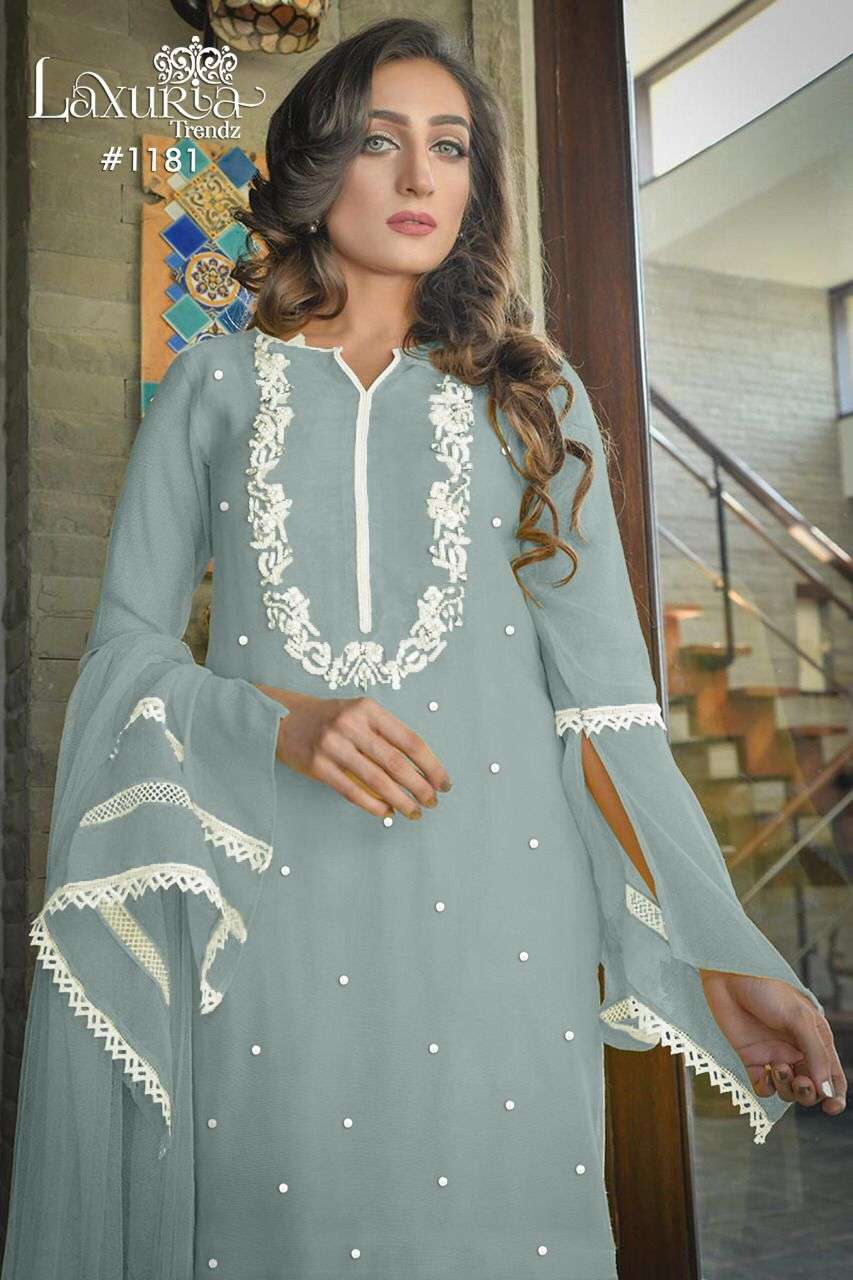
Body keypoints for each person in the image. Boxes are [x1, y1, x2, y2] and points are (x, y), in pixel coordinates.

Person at [2, 15, 845, 1280]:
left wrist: (721, 948)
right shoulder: (213, 387)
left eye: (448, 147)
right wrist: (278, 720)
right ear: (314, 164)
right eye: (378, 140)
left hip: (504, 927)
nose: (416, 176)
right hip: (271, 923)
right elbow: (123, 660)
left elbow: (609, 719)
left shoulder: (534, 399)